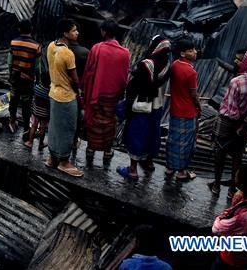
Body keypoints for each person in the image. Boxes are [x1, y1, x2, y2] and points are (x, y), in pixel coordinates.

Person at [209, 48, 247, 196]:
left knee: (220, 153)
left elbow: (231, 108)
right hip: (244, 123)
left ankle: (216, 185)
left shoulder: (236, 82)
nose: (235, 61)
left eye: (239, 59)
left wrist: (236, 123)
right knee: (237, 157)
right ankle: (233, 189)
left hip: (227, 122)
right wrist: (243, 124)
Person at [119, 36, 172, 181]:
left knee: (136, 134)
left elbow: (135, 85)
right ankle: (149, 162)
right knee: (152, 134)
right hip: (157, 105)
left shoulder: (147, 64)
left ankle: (132, 170)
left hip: (141, 105)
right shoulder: (168, 64)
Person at [82, 19, 130, 165]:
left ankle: (91, 149)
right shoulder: (125, 53)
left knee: (94, 122)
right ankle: (108, 151)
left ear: (103, 31)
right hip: (113, 96)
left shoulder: (97, 48)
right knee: (110, 123)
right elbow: (124, 77)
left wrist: (85, 89)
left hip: (96, 94)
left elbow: (88, 72)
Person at [46, 19, 84, 178]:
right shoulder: (68, 53)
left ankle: (52, 157)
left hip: (53, 92)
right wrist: (79, 91)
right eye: (74, 30)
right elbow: (75, 79)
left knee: (54, 127)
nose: (77, 33)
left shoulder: (51, 46)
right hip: (66, 97)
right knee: (68, 129)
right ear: (65, 33)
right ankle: (63, 161)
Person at [211, 165, 247, 269]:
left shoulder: (243, 214)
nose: (234, 177)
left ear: (241, 185)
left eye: (236, 176)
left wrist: (220, 217)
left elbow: (216, 228)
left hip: (231, 256)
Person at [165, 36, 201, 181]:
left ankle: (169, 168)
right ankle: (181, 172)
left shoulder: (174, 65)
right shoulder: (191, 72)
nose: (195, 52)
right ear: (182, 53)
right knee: (185, 143)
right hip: (188, 112)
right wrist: (199, 106)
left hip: (175, 110)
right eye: (191, 50)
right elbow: (194, 94)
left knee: (173, 140)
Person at [7, 18, 42, 145]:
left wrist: (10, 74)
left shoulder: (13, 42)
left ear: (19, 29)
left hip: (15, 77)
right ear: (31, 29)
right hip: (28, 79)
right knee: (27, 103)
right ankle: (26, 129)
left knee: (14, 99)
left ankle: (12, 121)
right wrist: (38, 80)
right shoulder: (36, 46)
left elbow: (9, 62)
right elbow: (37, 67)